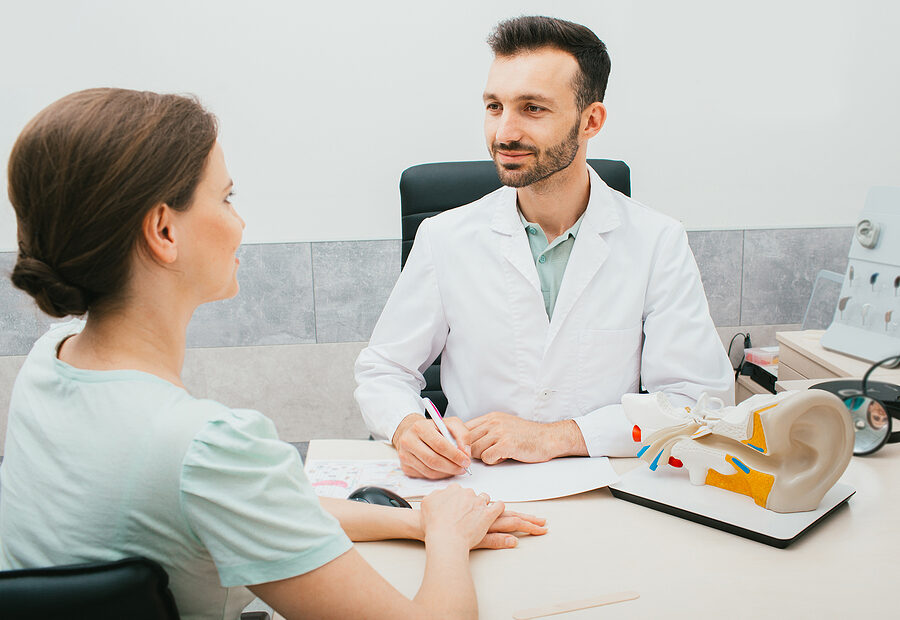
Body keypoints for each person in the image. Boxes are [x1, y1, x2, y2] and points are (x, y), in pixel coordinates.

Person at [0, 88, 546, 620]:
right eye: (226, 198)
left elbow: (248, 504)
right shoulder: (211, 447)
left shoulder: (49, 362)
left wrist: (416, 522)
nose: (240, 223)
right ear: (164, 231)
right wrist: (449, 537)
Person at [355, 15, 734, 480]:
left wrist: (559, 436)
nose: (504, 133)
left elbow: (695, 403)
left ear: (591, 120)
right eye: (495, 107)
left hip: (603, 486)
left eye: (532, 108)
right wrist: (407, 426)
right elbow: (384, 370)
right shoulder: (444, 237)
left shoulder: (657, 241)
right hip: (478, 485)